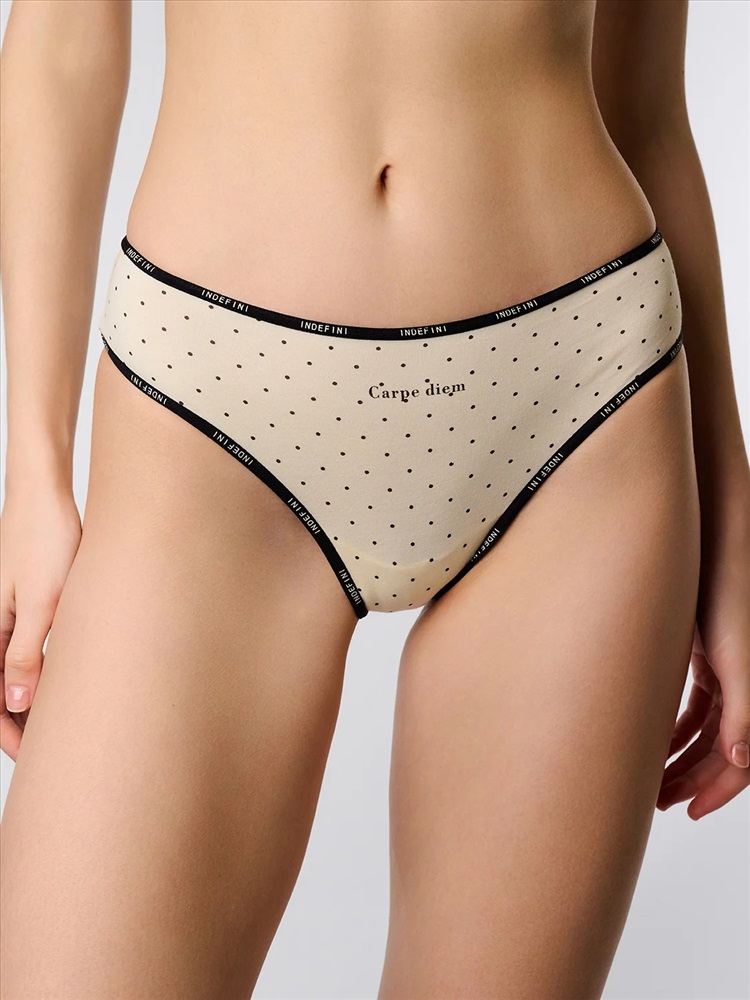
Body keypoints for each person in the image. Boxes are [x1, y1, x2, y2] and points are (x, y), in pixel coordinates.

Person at [0, 0, 747, 997]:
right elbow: (61, 37)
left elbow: (646, 109)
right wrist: (34, 472)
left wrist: (732, 522)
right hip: (213, 411)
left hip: (579, 405)